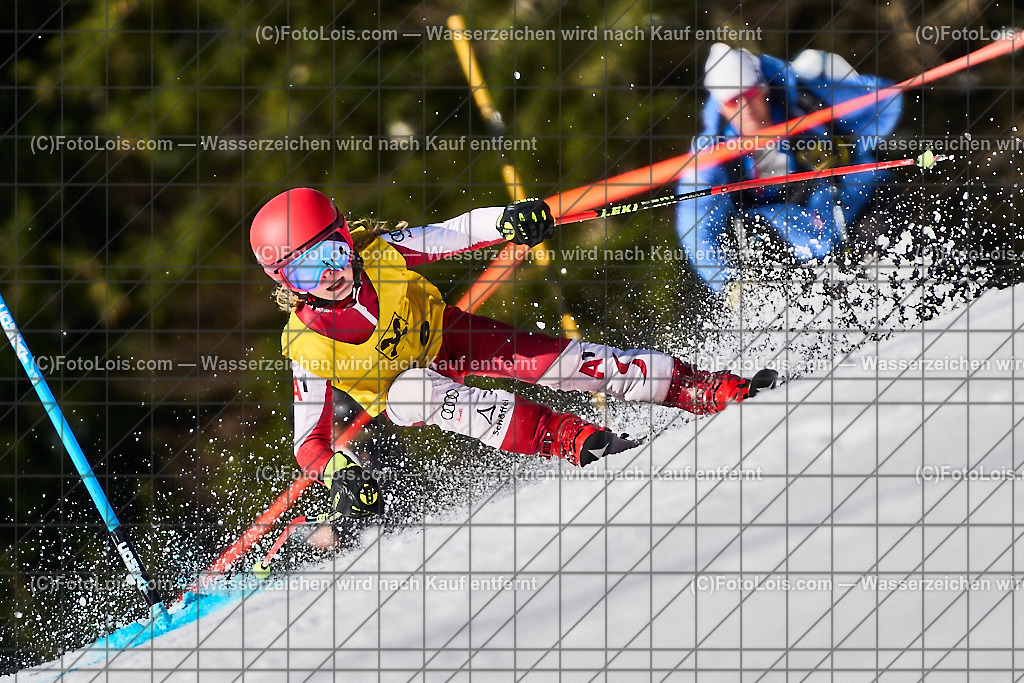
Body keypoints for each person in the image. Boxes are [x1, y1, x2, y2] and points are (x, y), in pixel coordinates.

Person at [249, 188, 765, 519]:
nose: (333, 274)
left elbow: (455, 231)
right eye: (307, 270)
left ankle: (700, 389)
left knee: (563, 364)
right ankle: (569, 438)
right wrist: (338, 471)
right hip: (403, 392)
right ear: (285, 282)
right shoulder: (305, 344)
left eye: (335, 252)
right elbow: (308, 440)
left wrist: (509, 220)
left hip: (447, 335)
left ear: (346, 238)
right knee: (417, 391)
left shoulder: (380, 254)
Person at [675, 43, 903, 298]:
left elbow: (887, 102)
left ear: (762, 88)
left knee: (891, 211)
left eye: (750, 93)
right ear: (721, 106)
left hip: (854, 205)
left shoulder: (803, 100)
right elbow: (697, 227)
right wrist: (728, 283)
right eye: (733, 99)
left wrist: (823, 85)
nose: (745, 106)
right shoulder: (714, 156)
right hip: (793, 250)